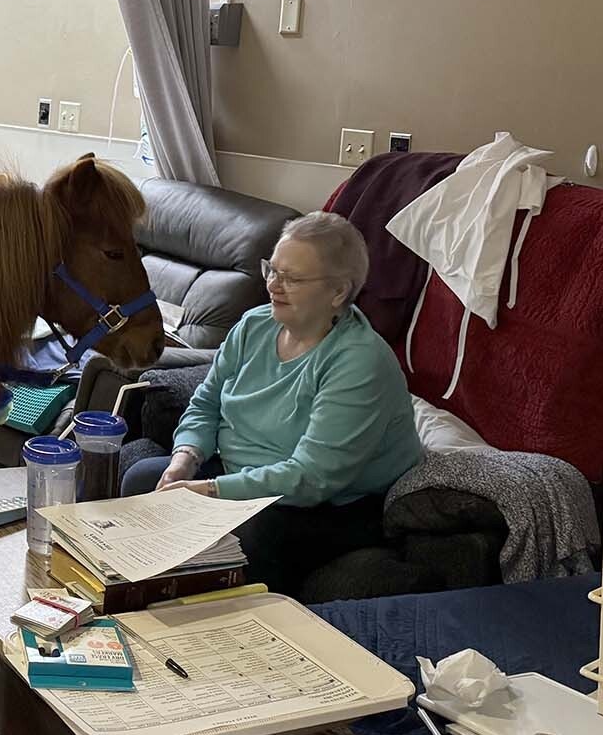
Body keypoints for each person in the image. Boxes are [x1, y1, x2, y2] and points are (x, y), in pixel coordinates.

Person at [120, 212, 423, 595]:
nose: (273, 286)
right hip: (240, 475)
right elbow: (207, 400)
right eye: (272, 270)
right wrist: (186, 458)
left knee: (246, 537)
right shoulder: (254, 325)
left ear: (338, 293)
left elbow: (312, 477)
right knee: (144, 477)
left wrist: (212, 491)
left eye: (292, 278)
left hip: (324, 504)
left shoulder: (359, 362)